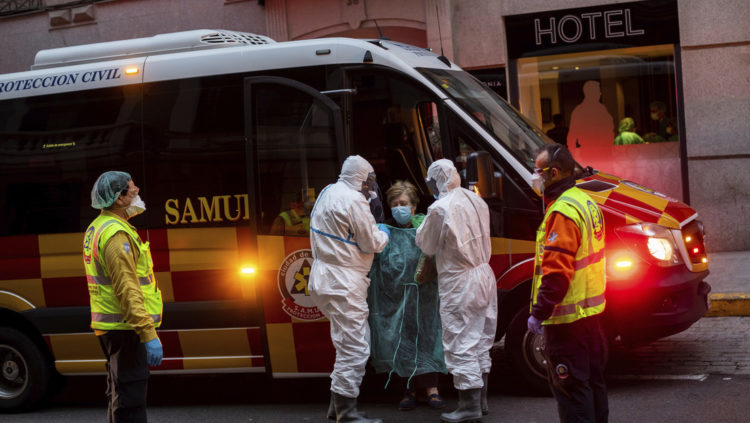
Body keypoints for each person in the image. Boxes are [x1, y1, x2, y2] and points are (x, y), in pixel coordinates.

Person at [526, 145, 608, 423]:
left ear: (555, 172)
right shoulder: (584, 201)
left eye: (538, 171)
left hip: (567, 323)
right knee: (592, 385)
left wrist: (539, 313)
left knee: (572, 391)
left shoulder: (562, 212)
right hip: (591, 317)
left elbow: (557, 273)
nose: (535, 176)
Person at [308, 155, 390, 423]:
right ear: (362, 177)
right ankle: (347, 411)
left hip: (323, 277)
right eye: (370, 180)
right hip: (344, 281)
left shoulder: (328, 191)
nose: (371, 186)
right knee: (356, 346)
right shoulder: (355, 200)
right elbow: (369, 244)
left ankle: (336, 406)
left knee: (345, 343)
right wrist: (384, 233)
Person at [415, 159, 497, 422]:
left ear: (436, 180)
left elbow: (426, 244)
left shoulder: (440, 209)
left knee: (461, 342)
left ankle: (469, 407)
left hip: (460, 281)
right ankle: (481, 401)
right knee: (481, 340)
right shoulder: (477, 200)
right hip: (484, 274)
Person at [82, 171, 163, 422]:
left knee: (120, 394)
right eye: (131, 188)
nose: (137, 190)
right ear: (119, 198)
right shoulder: (116, 236)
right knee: (130, 403)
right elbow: (128, 289)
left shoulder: (100, 226)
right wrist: (148, 334)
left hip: (114, 327)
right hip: (126, 329)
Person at [367, 180, 446, 411]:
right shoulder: (385, 232)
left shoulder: (424, 227)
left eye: (403, 203)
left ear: (414, 207)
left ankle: (432, 389)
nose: (398, 208)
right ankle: (408, 390)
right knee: (402, 341)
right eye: (394, 203)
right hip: (396, 299)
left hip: (426, 296)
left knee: (428, 338)